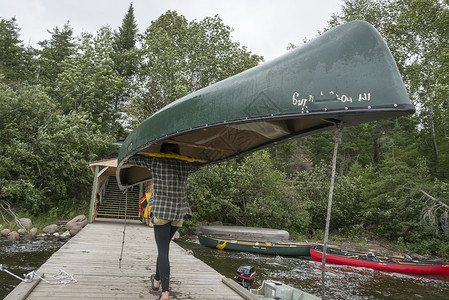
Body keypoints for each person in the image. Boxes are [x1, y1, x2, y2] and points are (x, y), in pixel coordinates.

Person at [127, 142, 201, 300]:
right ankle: (156, 280)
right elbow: (198, 164)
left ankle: (165, 292)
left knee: (163, 250)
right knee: (164, 248)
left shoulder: (156, 161)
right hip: (178, 215)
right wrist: (187, 157)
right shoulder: (185, 164)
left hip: (161, 212)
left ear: (162, 151)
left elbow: (134, 159)